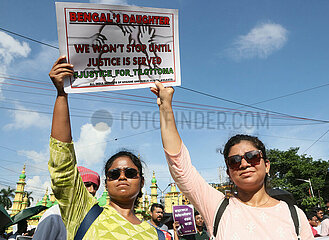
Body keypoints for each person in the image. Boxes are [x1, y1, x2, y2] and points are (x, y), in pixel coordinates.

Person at [150, 81, 314, 239]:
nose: (244, 164)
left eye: (252, 156)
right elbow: (181, 168)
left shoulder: (295, 216)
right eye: (234, 161)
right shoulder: (217, 207)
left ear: (267, 165)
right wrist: (165, 107)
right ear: (229, 171)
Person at [47, 56, 160, 239]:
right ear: (106, 183)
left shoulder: (157, 235)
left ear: (142, 181)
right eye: (114, 174)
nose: (122, 177)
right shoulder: (85, 213)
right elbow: (63, 166)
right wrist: (61, 94)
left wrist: (166, 107)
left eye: (130, 173)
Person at [33, 166, 100, 240]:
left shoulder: (93, 215)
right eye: (87, 185)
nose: (92, 190)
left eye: (95, 187)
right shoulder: (55, 215)